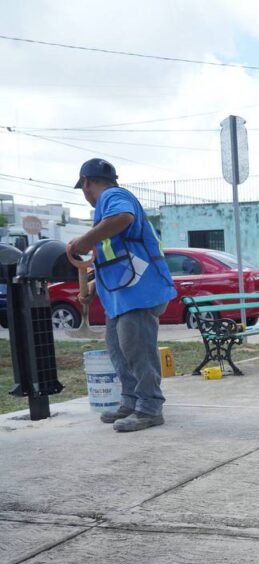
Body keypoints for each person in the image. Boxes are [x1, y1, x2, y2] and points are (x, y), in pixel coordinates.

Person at [67, 158, 177, 432]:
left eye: (83, 187)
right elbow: (113, 256)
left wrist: (84, 241)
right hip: (122, 295)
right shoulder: (104, 211)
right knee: (119, 351)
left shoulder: (112, 196)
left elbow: (123, 217)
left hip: (140, 292)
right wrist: (92, 288)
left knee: (138, 351)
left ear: (86, 183)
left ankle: (150, 408)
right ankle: (131, 402)